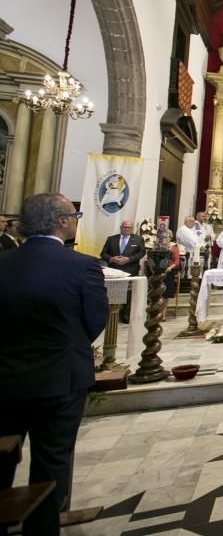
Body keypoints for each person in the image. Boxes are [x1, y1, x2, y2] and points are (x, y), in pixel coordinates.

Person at [0, 193, 108, 535]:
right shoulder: (81, 265)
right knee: (52, 461)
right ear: (61, 221)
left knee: (2, 460)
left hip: (4, 379)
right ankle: (42, 529)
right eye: (74, 214)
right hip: (61, 378)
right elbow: (95, 320)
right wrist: (70, 346)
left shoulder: (3, 262)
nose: (76, 219)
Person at [100, 220, 146, 324]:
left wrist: (128, 259)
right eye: (125, 227)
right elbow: (103, 253)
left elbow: (142, 253)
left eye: (129, 227)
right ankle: (109, 315)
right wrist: (111, 259)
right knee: (112, 293)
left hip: (130, 270)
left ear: (132, 229)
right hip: (114, 270)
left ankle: (125, 315)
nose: (126, 229)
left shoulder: (138, 240)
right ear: (121, 228)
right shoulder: (111, 239)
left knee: (128, 294)